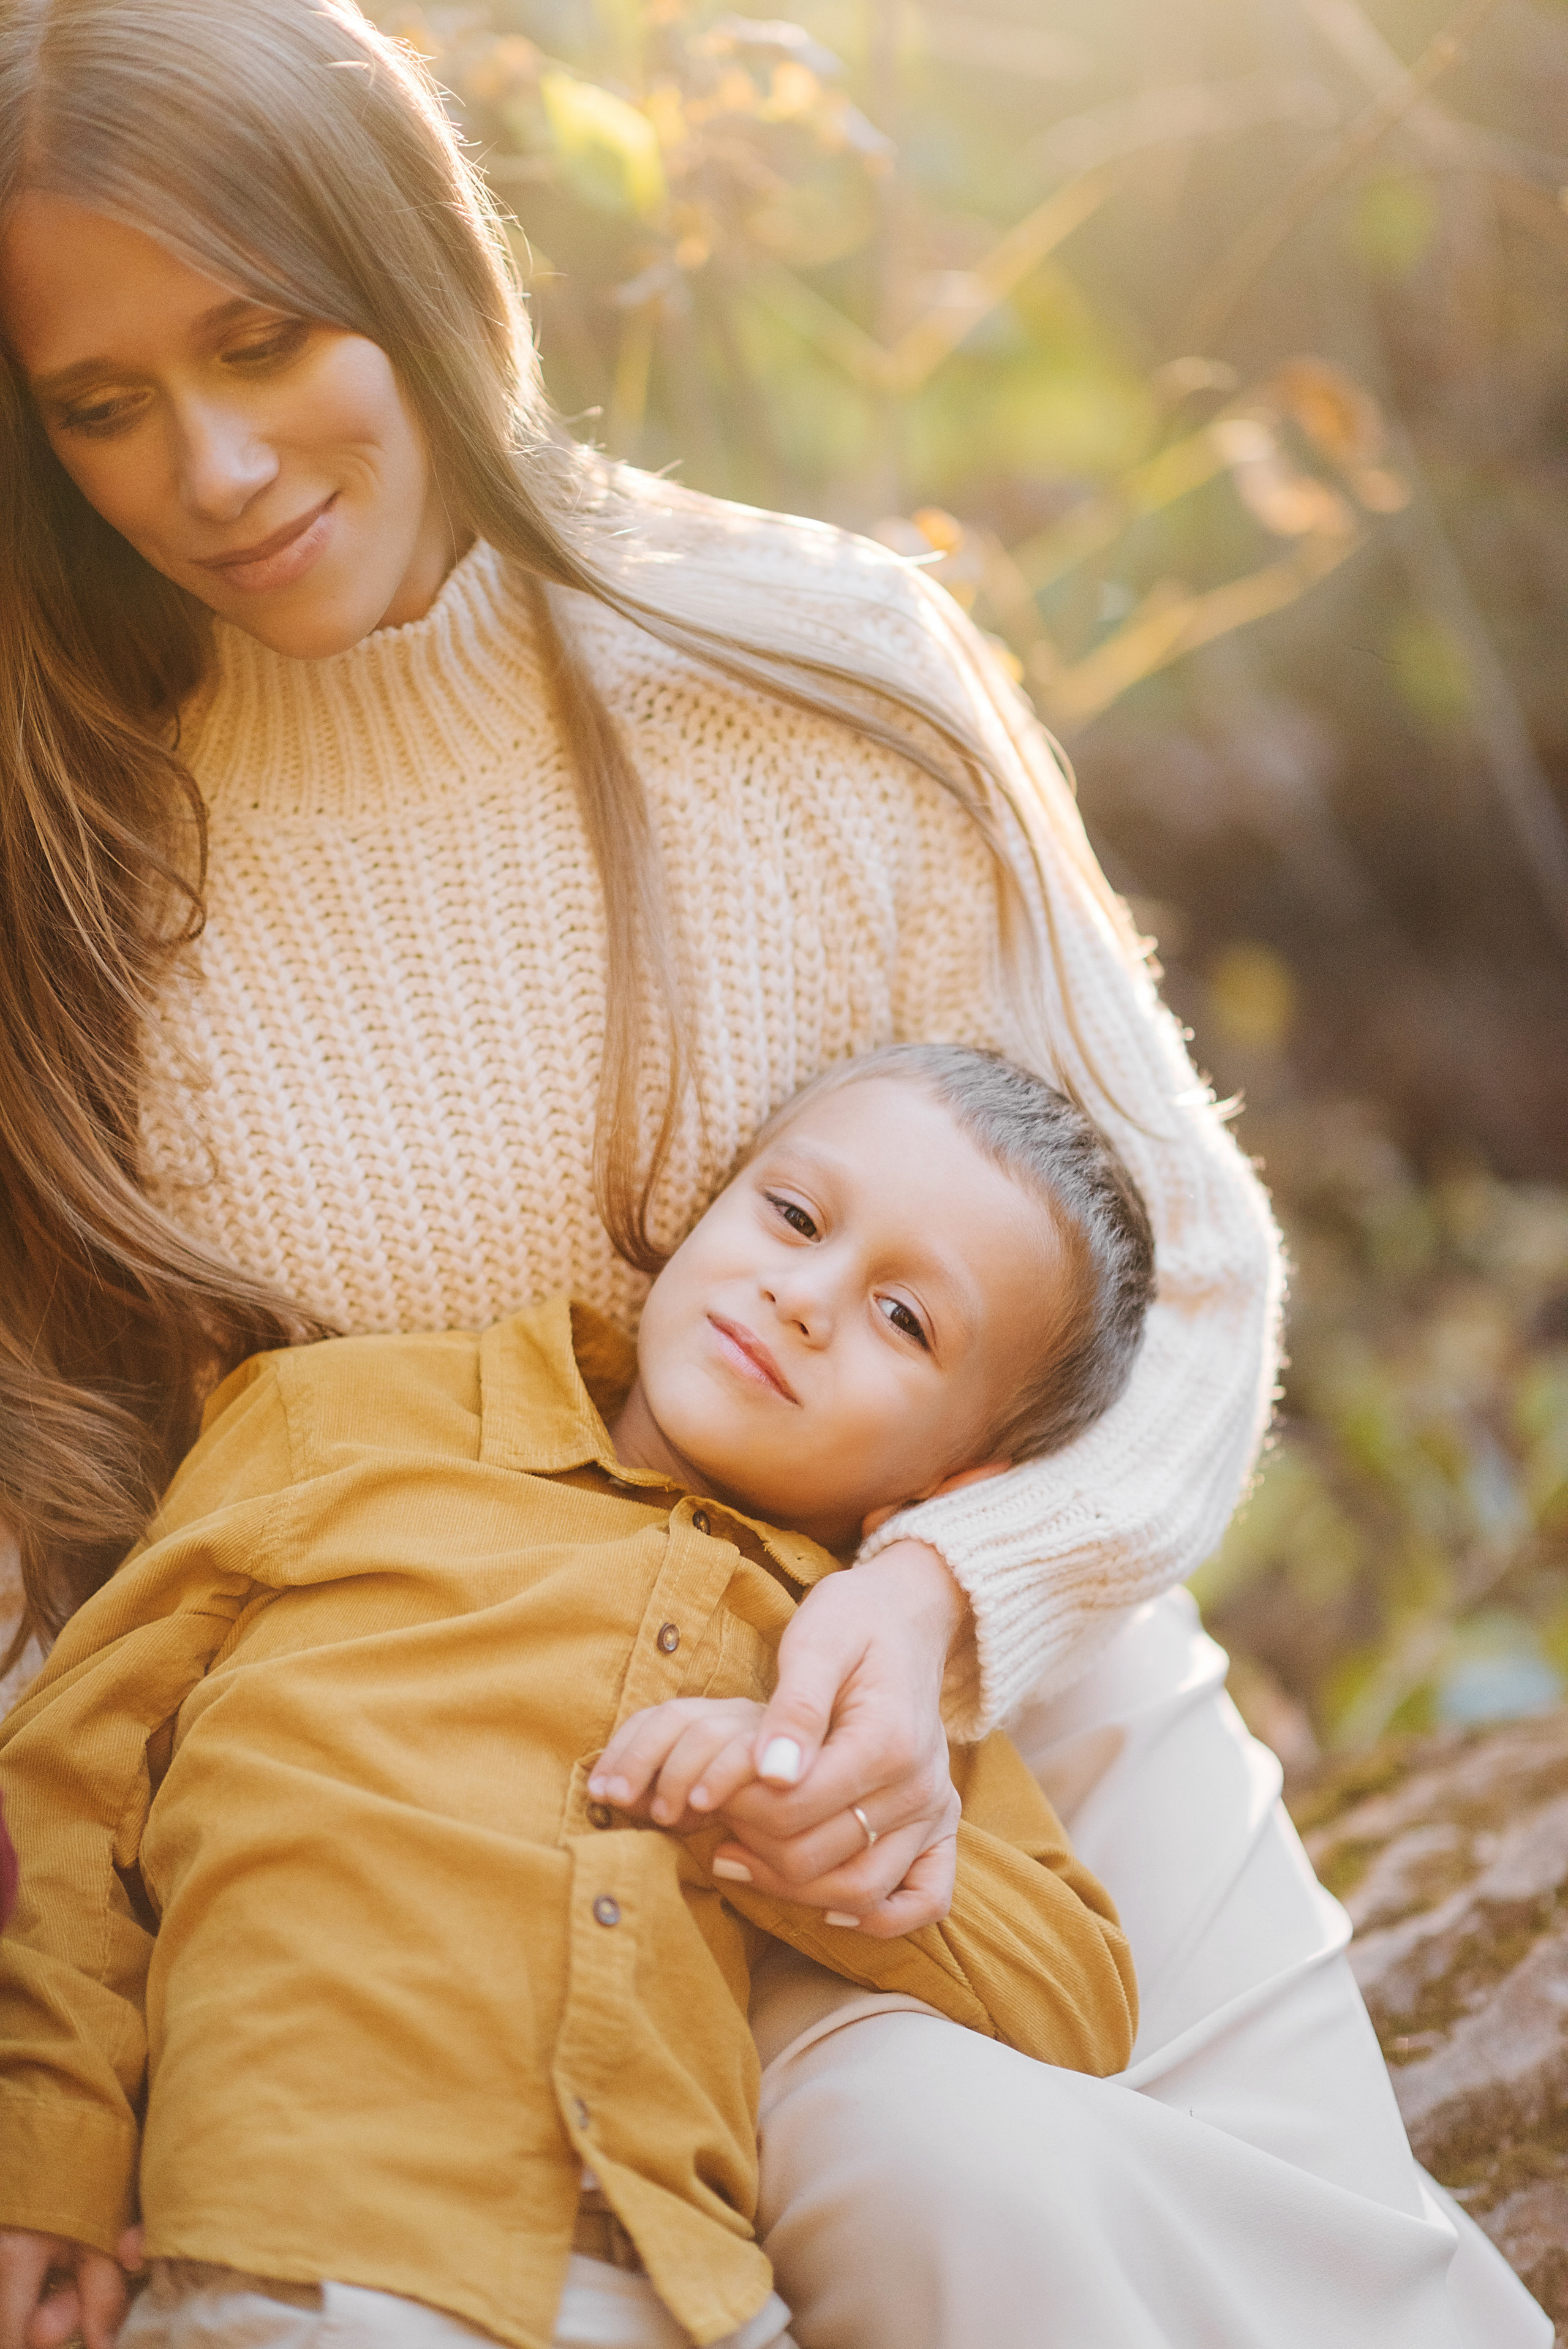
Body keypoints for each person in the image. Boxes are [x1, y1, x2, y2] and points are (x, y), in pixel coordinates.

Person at [0, 1, 1548, 2342]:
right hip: (434, 1826)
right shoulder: (75, 842)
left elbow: (1196, 1266)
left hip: (992, 1722)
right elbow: (59, 1526)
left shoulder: (821, 661)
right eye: (102, 403)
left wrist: (940, 1600)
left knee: (1079, 2224)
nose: (210, 464)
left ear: (413, 252)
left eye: (263, 332)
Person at [0, 1047, 1148, 2349]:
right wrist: (48, 2155)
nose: (804, 1296)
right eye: (792, 1216)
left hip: (679, 2295)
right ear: (702, 1216)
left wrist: (807, 1817)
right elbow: (68, 1785)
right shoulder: (346, 1417)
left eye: (905, 1320)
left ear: (953, 1483)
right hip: (315, 2240)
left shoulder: (848, 1677)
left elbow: (1080, 1995)